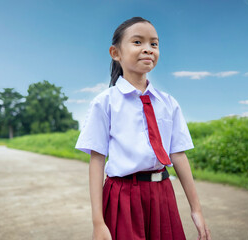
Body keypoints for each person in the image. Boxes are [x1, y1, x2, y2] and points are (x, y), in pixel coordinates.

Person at [75, 16, 211, 240]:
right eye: (138, 42)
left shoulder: (168, 103)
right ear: (115, 53)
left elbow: (178, 154)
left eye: (154, 44)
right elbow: (97, 161)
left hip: (163, 195)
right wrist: (98, 222)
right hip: (123, 197)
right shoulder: (105, 102)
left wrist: (196, 209)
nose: (148, 49)